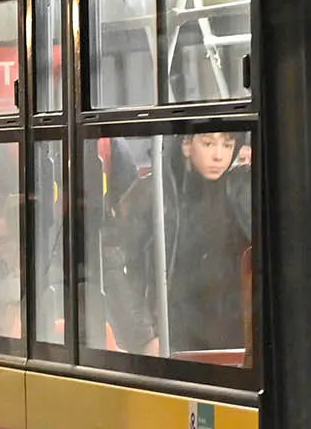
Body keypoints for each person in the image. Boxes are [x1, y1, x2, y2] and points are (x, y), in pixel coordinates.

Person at [104, 131, 254, 356]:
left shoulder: (244, 191)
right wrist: (143, 336)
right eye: (208, 143)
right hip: (171, 341)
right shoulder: (151, 194)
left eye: (228, 145)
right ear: (186, 145)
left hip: (238, 341)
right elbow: (112, 264)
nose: (219, 155)